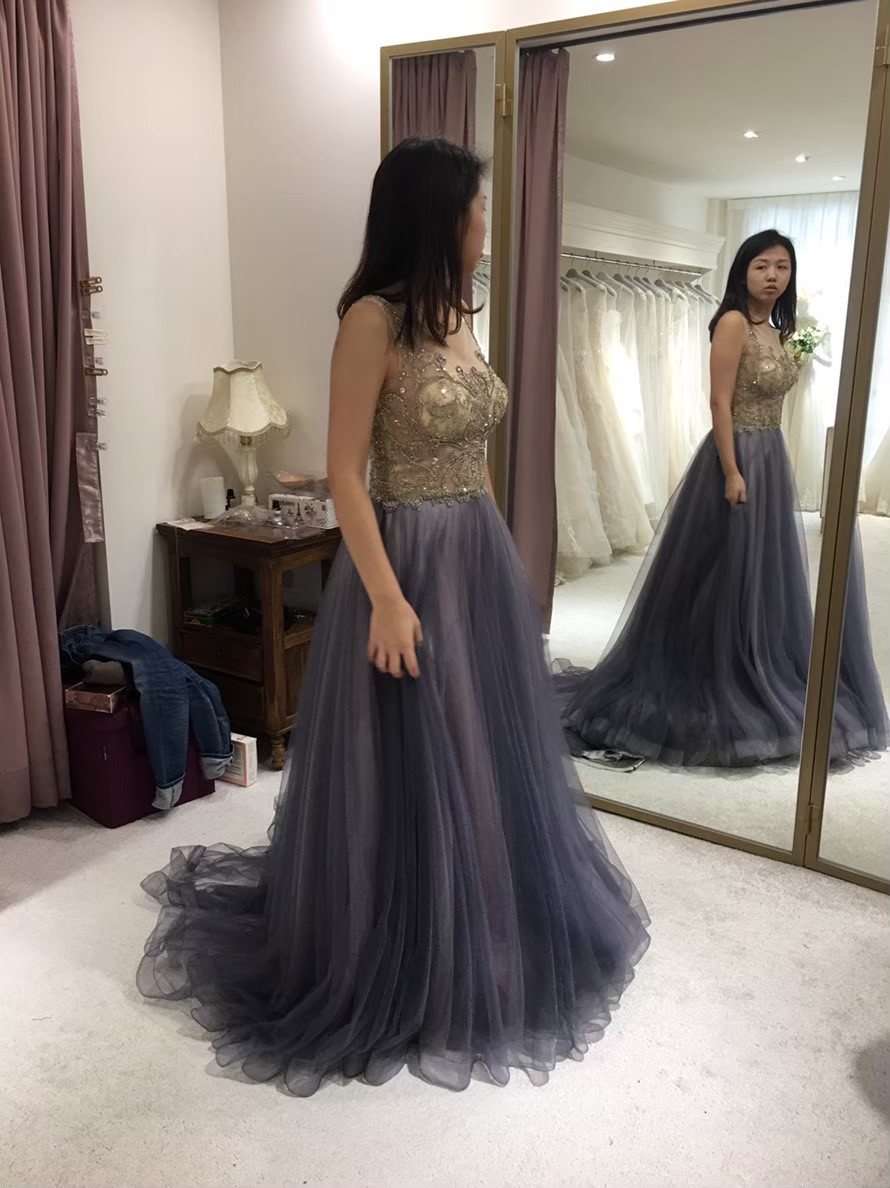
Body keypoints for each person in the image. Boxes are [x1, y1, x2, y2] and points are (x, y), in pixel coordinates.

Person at [138, 138, 649, 1096]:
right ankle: (405, 939)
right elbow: (344, 471)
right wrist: (383, 595)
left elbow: (476, 449)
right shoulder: (372, 320)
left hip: (474, 554)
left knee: (483, 747)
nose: (485, 223)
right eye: (476, 208)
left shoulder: (458, 316)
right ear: (436, 215)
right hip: (403, 560)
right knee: (416, 748)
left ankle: (487, 921)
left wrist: (504, 556)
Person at [556, 230, 888, 767]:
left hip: (771, 454)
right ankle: (712, 665)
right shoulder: (733, 323)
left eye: (782, 267)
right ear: (743, 272)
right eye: (762, 266)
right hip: (737, 457)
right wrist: (732, 471)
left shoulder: (780, 331)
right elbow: (719, 401)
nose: (773, 276)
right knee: (724, 569)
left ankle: (754, 654)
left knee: (762, 570)